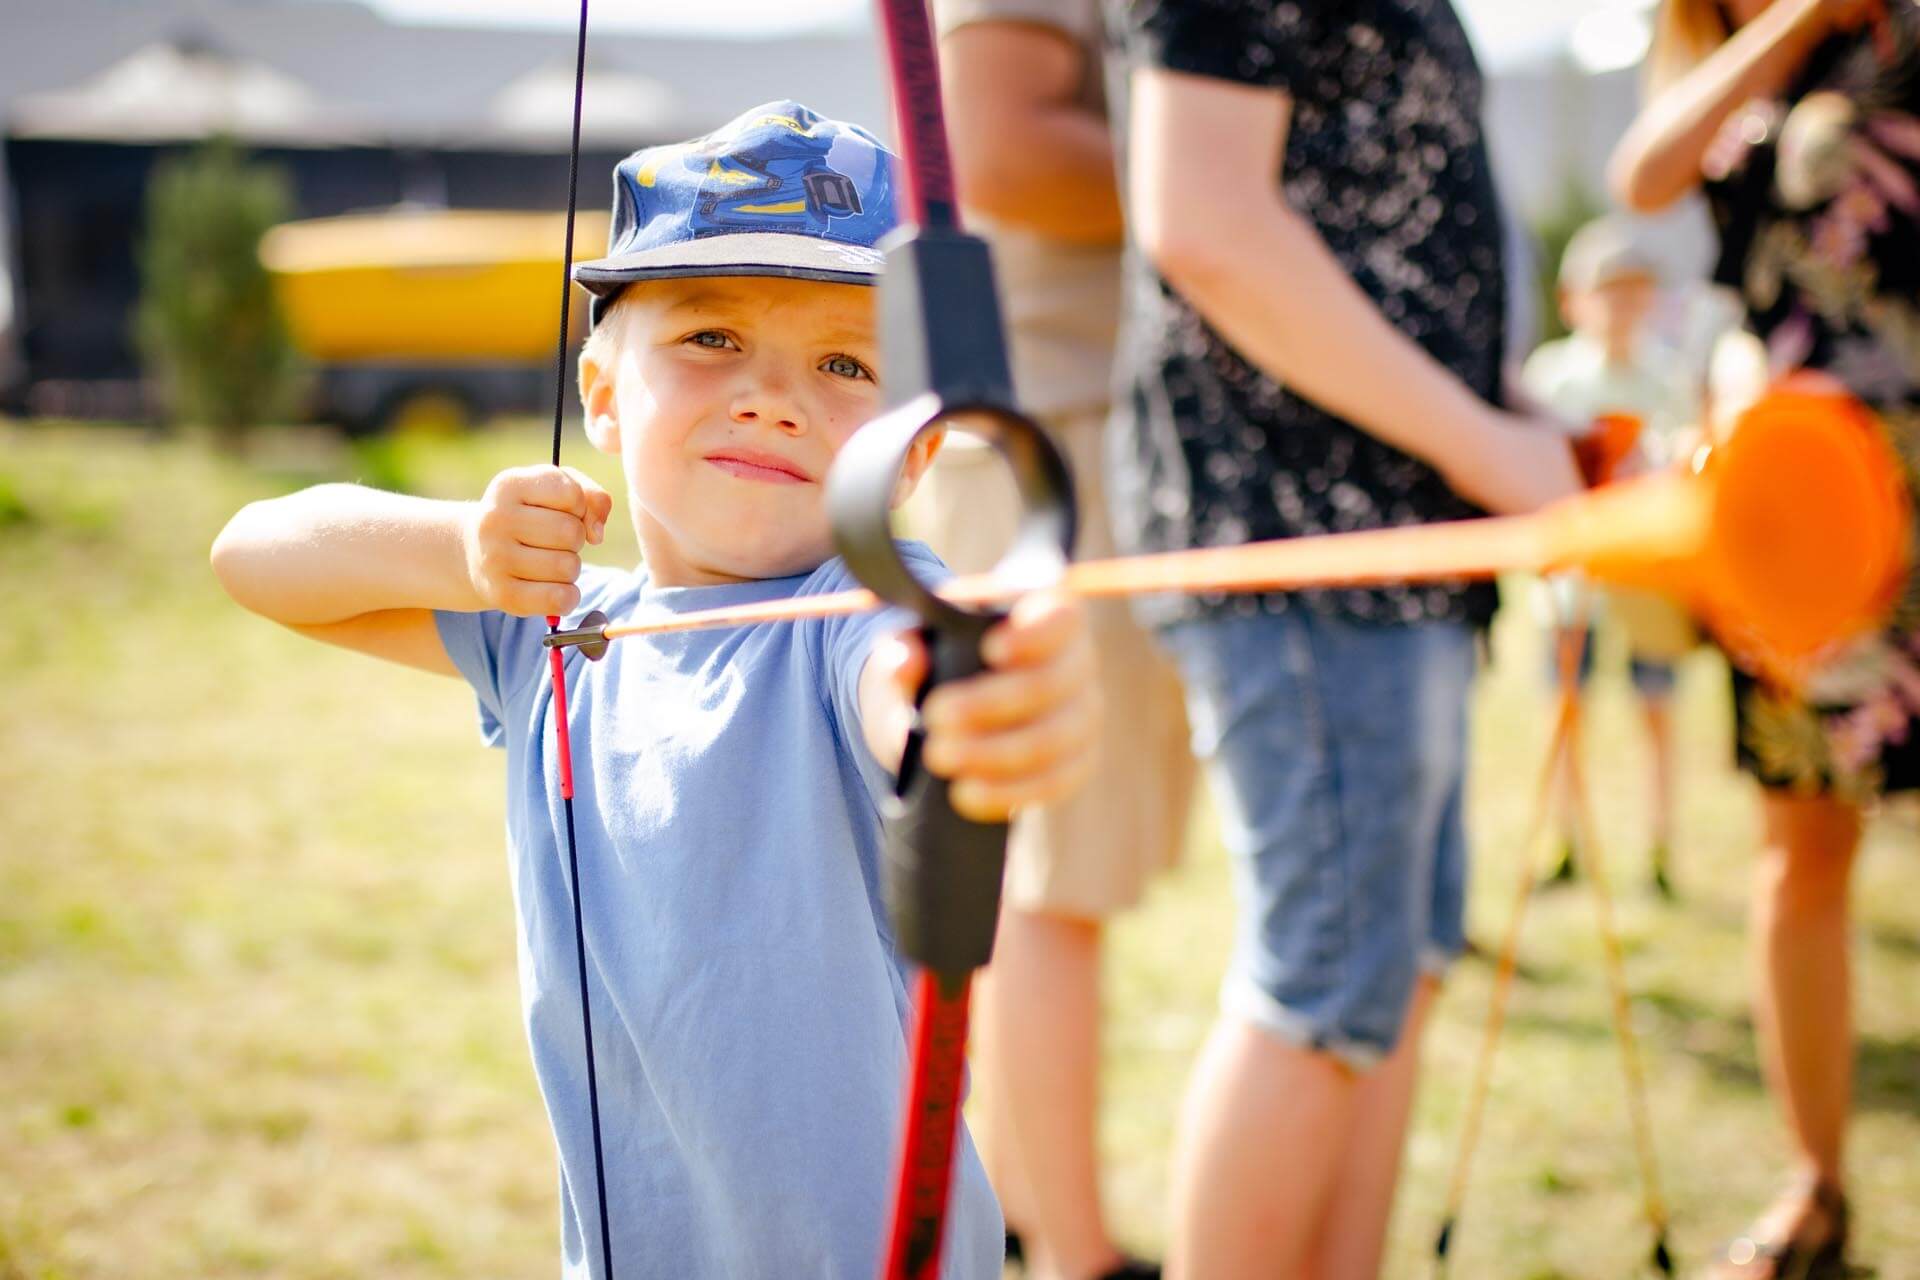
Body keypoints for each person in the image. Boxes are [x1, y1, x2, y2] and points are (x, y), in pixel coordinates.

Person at [209, 102, 1103, 1280]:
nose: (771, 396)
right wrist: (464, 549)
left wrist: (978, 706)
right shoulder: (557, 631)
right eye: (711, 339)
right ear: (602, 391)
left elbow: (917, 676)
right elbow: (256, 554)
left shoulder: (858, 611)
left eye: (847, 364)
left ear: (917, 452)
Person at [1107, 4, 1583, 1277]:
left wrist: (1520, 426)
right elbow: (1205, 221)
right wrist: (1484, 445)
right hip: (1303, 535)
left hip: (1405, 542)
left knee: (1388, 983)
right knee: (1326, 992)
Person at [1611, 2, 1920, 1275]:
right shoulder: (1722, 47)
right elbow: (1643, 176)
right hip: (1795, 501)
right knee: (1801, 846)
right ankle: (1817, 1187)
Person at [923, 5, 1196, 1277]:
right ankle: (1075, 1252)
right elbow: (1006, 146)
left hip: (1073, 428)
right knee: (1051, 877)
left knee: (1051, 872)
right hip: (1050, 435)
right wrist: (1245, 167)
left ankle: (1038, 1217)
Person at [1522, 217, 1702, 895]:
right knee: (1565, 709)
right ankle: (1561, 838)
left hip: (1647, 580)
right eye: (1609, 292)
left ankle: (1659, 844)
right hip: (1573, 585)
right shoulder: (1553, 378)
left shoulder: (1669, 379)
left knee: (1656, 708)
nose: (1624, 307)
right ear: (1574, 301)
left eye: (1638, 292)